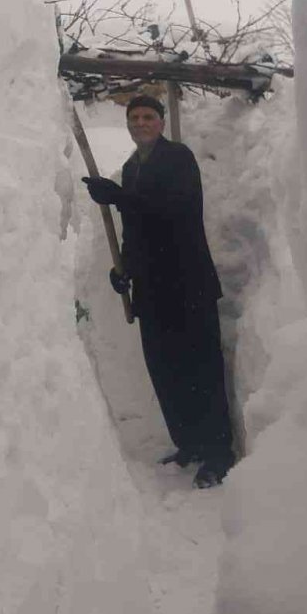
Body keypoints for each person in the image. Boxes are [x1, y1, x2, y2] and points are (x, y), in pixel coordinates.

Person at [82, 94, 236, 488]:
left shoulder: (178, 158)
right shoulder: (132, 168)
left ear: (161, 122)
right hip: (152, 291)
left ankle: (219, 454)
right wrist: (124, 272)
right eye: (134, 118)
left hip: (188, 285)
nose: (140, 123)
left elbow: (174, 212)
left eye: (148, 116)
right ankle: (189, 443)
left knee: (200, 370)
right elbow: (137, 230)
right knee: (166, 372)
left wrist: (118, 197)